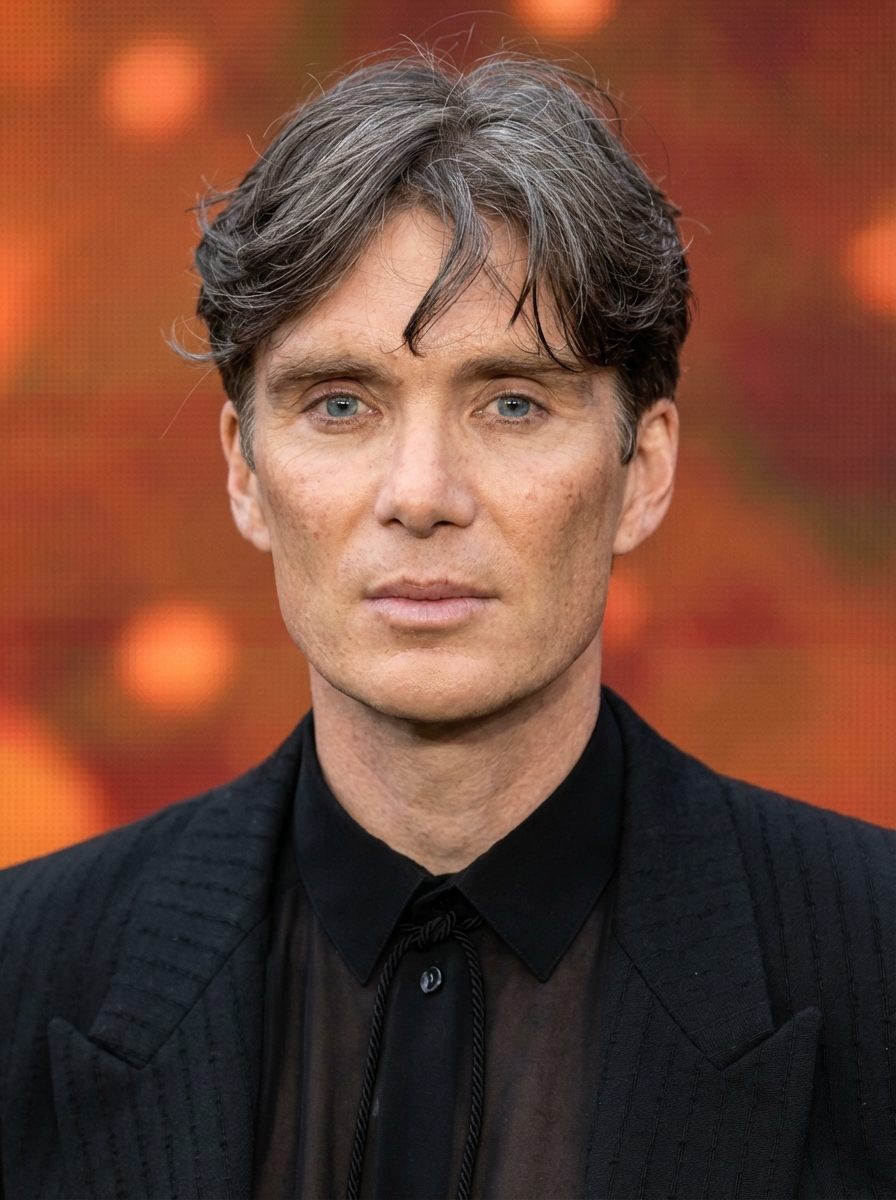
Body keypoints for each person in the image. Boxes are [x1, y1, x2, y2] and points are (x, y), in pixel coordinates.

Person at [0, 51, 892, 1200]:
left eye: (511, 403)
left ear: (644, 468)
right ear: (243, 472)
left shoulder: (872, 960)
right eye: (340, 404)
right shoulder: (24, 974)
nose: (420, 494)